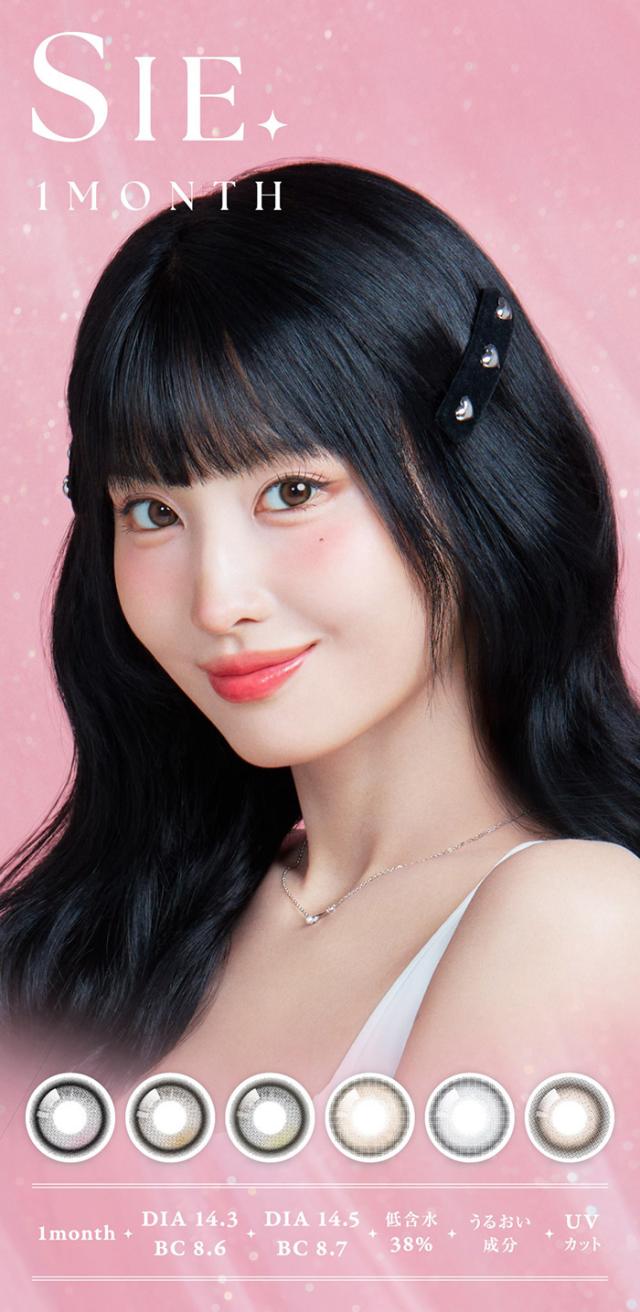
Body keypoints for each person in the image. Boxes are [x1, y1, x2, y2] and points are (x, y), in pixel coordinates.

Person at [0, 160, 639, 1111]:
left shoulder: (575, 918)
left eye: (292, 492)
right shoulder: (112, 933)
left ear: (472, 480)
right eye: (152, 512)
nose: (217, 600)